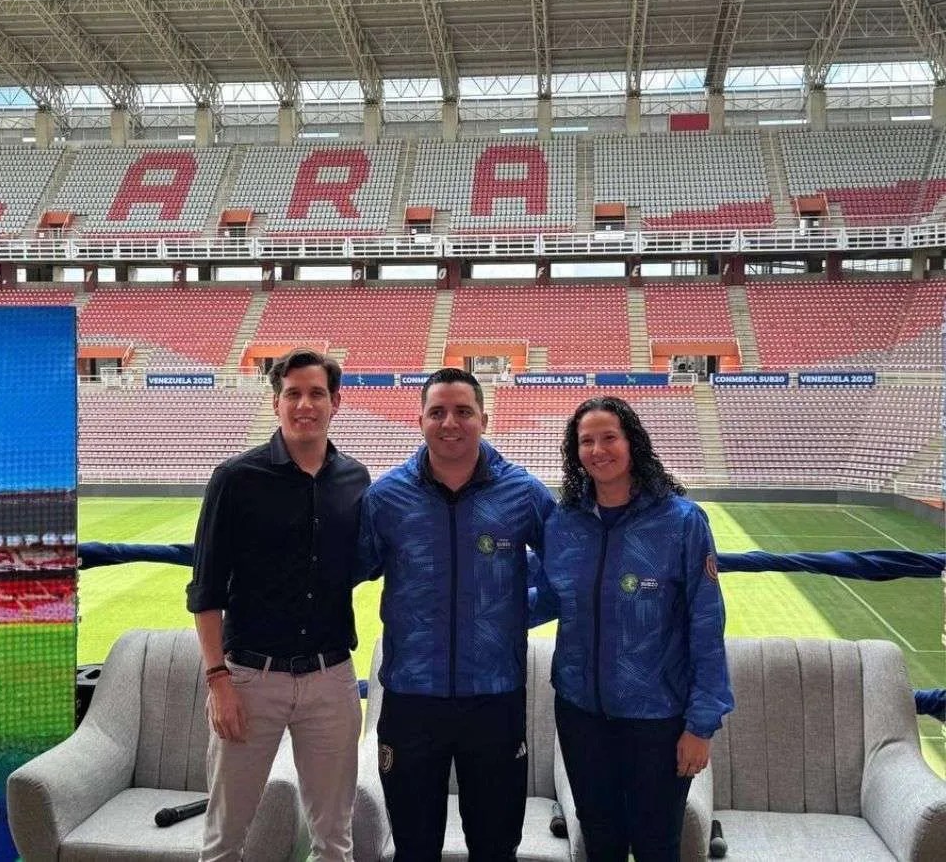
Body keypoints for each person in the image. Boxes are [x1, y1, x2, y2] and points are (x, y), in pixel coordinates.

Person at [355, 367, 556, 861]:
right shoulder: (386, 498)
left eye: (463, 411)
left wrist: (510, 616)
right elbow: (348, 570)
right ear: (419, 419)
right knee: (414, 846)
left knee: (494, 846)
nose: (451, 422)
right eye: (438, 411)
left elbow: (566, 573)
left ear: (484, 419)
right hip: (409, 699)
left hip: (494, 699)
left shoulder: (523, 493)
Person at [186, 348, 370, 862]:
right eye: (292, 393)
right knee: (224, 841)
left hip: (331, 679)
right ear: (276, 403)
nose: (304, 404)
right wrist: (218, 679)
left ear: (336, 401)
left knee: (335, 841)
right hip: (249, 679)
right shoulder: (235, 479)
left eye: (315, 393)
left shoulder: (356, 480)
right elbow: (205, 590)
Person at [537, 396, 734, 862]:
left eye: (609, 437)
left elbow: (706, 623)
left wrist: (701, 725)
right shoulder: (565, 522)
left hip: (658, 720)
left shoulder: (681, 522)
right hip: (581, 714)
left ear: (633, 443)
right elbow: (549, 598)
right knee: (599, 839)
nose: (598, 449)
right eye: (586, 441)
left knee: (657, 845)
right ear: (574, 452)